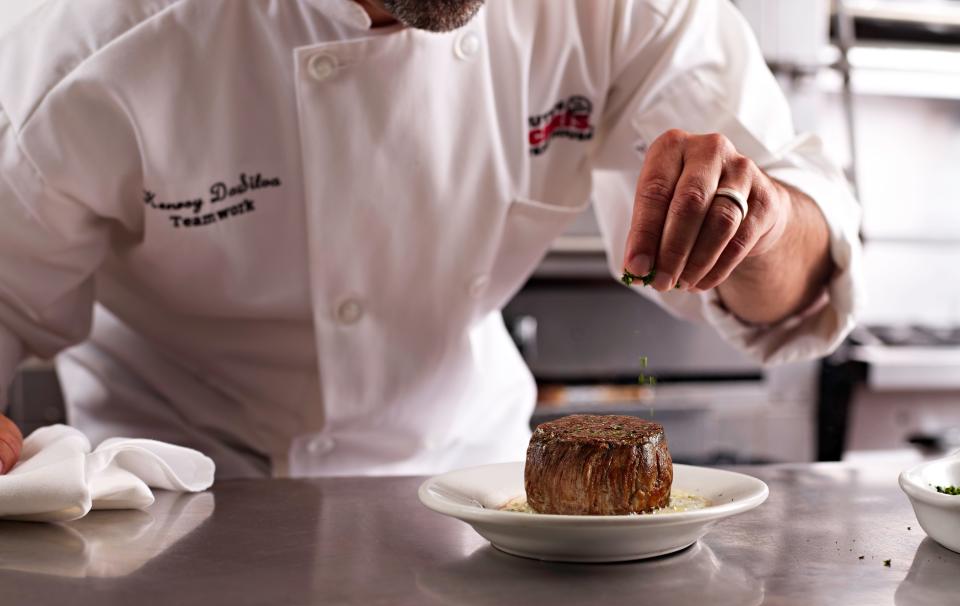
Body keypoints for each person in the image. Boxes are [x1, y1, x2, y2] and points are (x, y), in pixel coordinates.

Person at [0, 0, 862, 478]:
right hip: (177, 496)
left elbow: (801, 266)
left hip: (472, 502)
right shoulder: (87, 34)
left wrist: (766, 224)